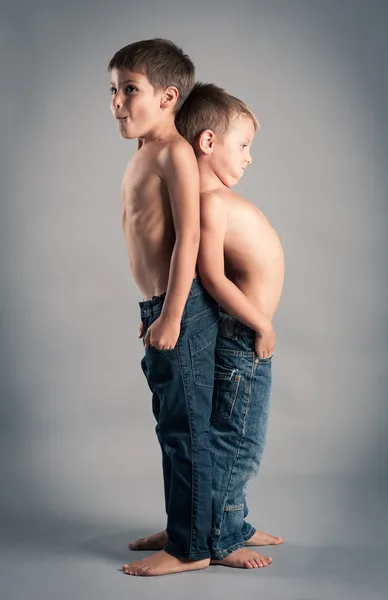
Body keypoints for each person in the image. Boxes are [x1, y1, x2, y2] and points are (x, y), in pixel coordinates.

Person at [130, 83, 285, 569]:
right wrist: (262, 323)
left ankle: (223, 520)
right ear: (209, 143)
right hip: (244, 337)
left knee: (224, 434)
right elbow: (212, 278)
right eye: (243, 146)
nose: (250, 158)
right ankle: (217, 536)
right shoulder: (210, 203)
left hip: (238, 333)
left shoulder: (207, 197)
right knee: (236, 441)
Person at [109, 40, 219, 577]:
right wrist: (152, 308)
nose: (117, 102)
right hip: (158, 304)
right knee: (170, 426)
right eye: (113, 90)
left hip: (184, 307)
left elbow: (189, 238)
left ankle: (191, 547)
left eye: (130, 89)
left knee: (187, 430)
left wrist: (173, 312)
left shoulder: (174, 152)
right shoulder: (143, 151)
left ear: (168, 96)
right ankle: (184, 524)